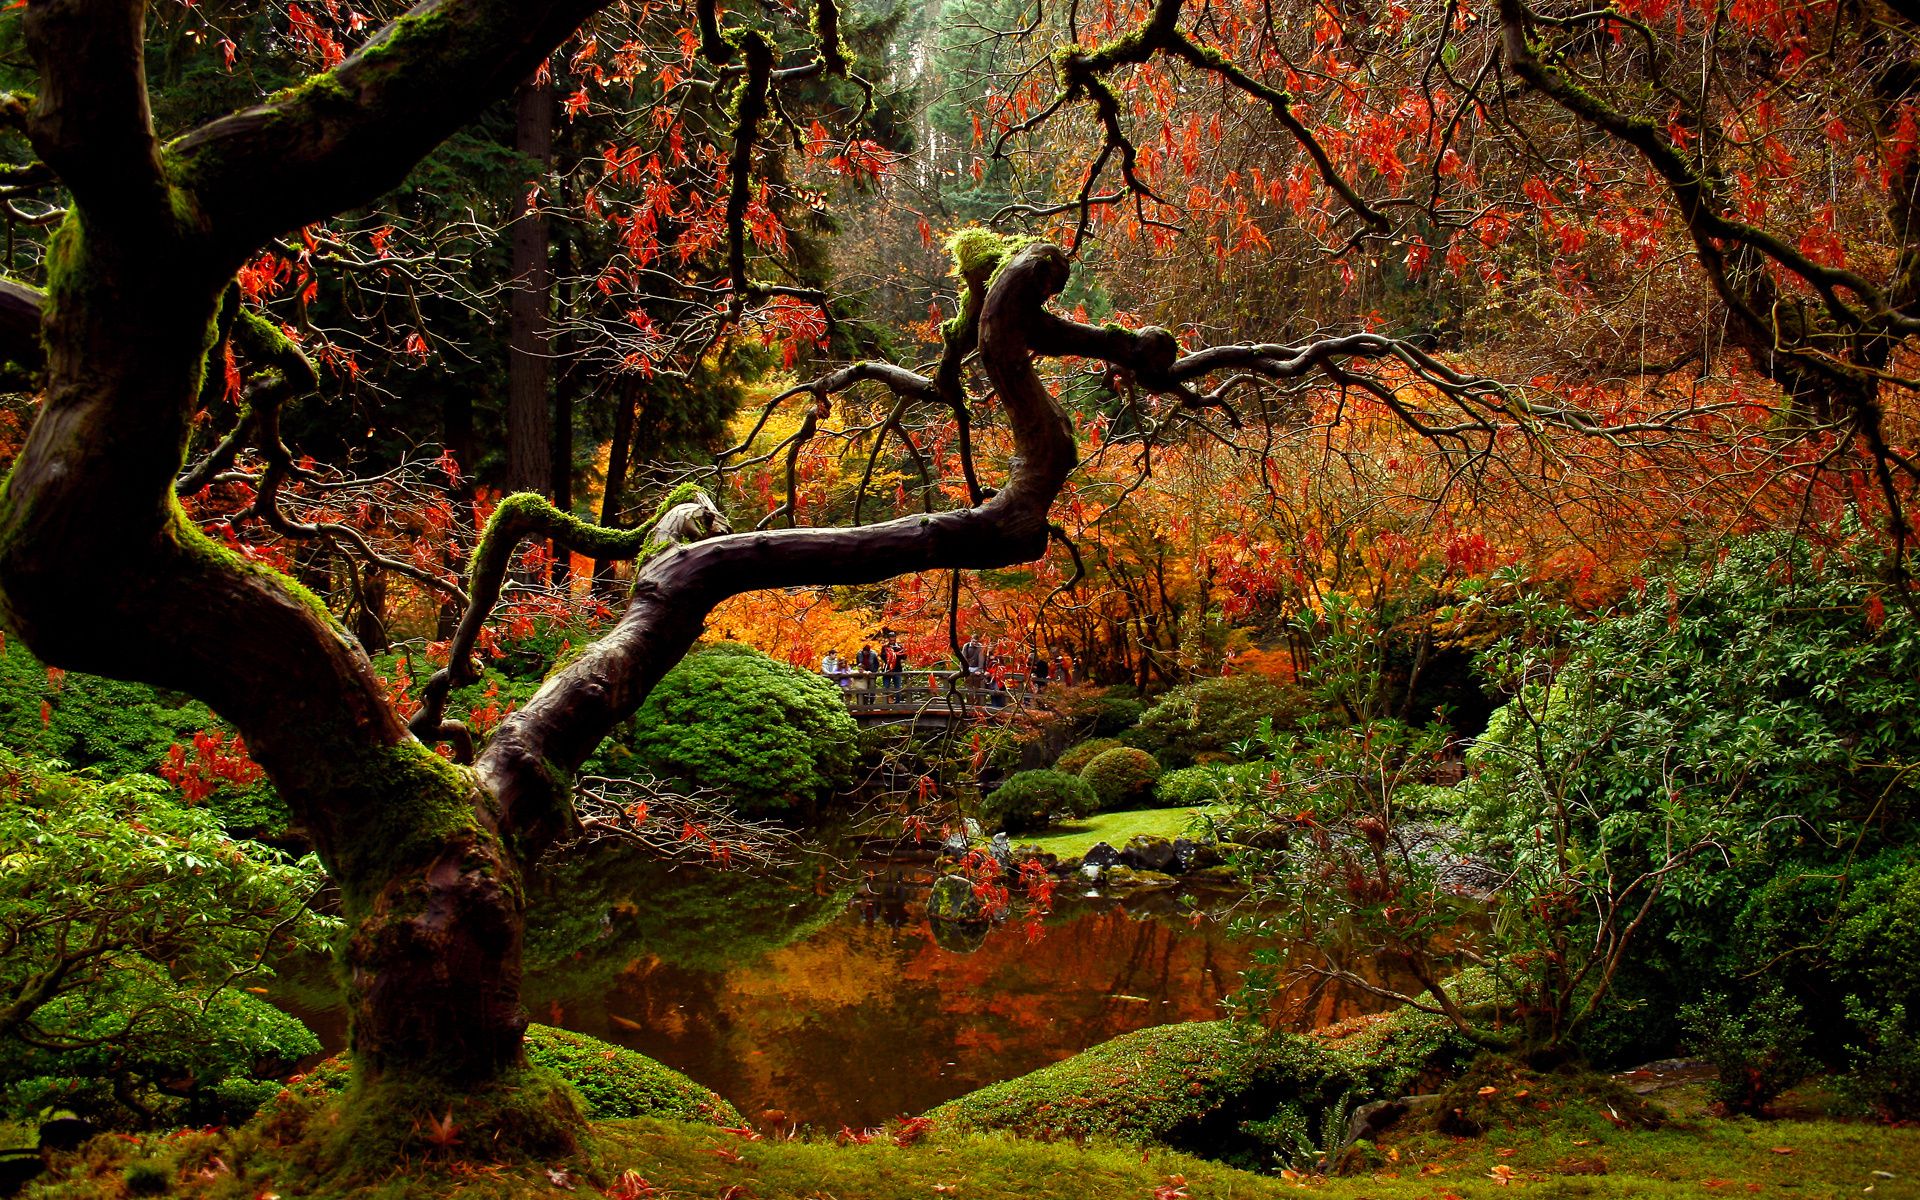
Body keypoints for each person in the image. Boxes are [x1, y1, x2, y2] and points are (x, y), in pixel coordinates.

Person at [881, 637, 906, 702]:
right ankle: (885, 703)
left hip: (897, 669)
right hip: (887, 669)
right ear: (889, 639)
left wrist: (896, 651)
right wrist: (889, 653)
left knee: (897, 686)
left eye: (893, 639)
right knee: (886, 686)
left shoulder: (899, 647)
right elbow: (882, 656)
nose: (892, 641)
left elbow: (904, 657)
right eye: (891, 639)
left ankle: (898, 702)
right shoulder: (885, 647)